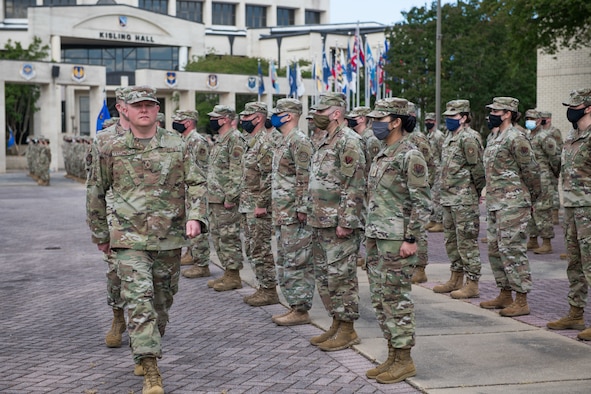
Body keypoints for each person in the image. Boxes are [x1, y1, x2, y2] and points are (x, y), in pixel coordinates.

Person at [86, 85, 207, 394]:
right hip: (128, 239)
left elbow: (196, 183)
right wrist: (100, 233)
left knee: (161, 305)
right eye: (137, 105)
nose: (145, 110)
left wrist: (196, 217)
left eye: (150, 105)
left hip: (168, 238)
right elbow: (96, 192)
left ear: (157, 110)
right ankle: (150, 366)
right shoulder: (107, 145)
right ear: (124, 109)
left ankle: (148, 346)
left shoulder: (177, 144)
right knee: (139, 302)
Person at [364, 98, 431, 384]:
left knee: (396, 298)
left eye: (381, 119)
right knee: (380, 299)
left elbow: (423, 202)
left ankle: (404, 359)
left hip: (396, 240)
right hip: (377, 236)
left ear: (397, 121)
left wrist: (411, 238)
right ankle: (392, 354)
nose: (375, 123)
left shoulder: (410, 154)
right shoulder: (383, 152)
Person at [307, 93, 366, 351]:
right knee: (325, 277)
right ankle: (336, 322)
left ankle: (348, 329)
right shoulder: (324, 139)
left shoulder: (349, 141)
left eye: (322, 110)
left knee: (341, 277)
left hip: (337, 223)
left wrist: (347, 221)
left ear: (336, 113)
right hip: (320, 220)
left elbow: (354, 185)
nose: (317, 115)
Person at [479, 97, 541, 317]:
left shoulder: (516, 137)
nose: (491, 114)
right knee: (496, 249)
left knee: (513, 250)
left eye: (495, 111)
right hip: (496, 203)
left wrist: (531, 198)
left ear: (507, 113)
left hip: (514, 203)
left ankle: (521, 299)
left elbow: (532, 170)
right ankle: (504, 293)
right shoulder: (494, 136)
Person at [547, 88, 591, 339]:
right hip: (572, 209)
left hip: (589, 210)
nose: (570, 110)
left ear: (588, 107)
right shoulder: (572, 136)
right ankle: (575, 313)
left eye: (575, 106)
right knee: (575, 263)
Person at [270, 98, 315, 326]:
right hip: (282, 212)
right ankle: (293, 305)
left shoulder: (299, 141)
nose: (274, 117)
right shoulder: (283, 140)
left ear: (288, 116)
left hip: (294, 214)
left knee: (298, 262)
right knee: (286, 261)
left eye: (277, 113)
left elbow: (305, 176)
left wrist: (302, 208)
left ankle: (301, 308)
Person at [434, 100, 485, 298]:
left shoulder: (469, 138)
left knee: (467, 242)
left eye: (453, 117)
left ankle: (472, 282)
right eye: (447, 116)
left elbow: (477, 169)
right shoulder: (449, 137)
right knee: (451, 241)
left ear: (464, 117)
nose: (449, 120)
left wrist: (478, 191)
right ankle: (456, 278)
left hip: (464, 198)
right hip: (448, 198)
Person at [238, 102, 281, 306]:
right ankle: (263, 286)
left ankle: (269, 289)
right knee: (251, 247)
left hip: (258, 205)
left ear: (258, 118)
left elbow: (269, 176)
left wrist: (262, 203)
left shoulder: (265, 143)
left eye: (247, 117)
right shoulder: (252, 141)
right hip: (248, 203)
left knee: (260, 248)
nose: (243, 120)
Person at [205, 105, 247, 291]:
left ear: (225, 119)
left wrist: (231, 196)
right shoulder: (222, 139)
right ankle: (227, 273)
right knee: (218, 236)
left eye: (216, 117)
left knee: (229, 237)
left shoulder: (235, 139)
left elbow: (237, 171)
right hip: (215, 198)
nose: (213, 120)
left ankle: (234, 275)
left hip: (226, 200)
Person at [168, 109, 212, 279]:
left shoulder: (197, 141)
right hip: (185, 190)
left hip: (196, 191)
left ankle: (201, 264)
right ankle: (192, 254)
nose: (175, 123)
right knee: (189, 226)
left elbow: (199, 170)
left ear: (187, 122)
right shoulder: (184, 139)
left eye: (178, 120)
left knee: (197, 227)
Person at [407, 102, 436, 284]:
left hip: (417, 190)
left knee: (419, 231)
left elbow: (430, 164)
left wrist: (426, 186)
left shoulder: (418, 138)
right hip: (403, 193)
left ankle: (420, 268)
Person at [524, 109, 561, 254]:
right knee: (530, 211)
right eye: (528, 118)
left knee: (543, 211)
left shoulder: (545, 137)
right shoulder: (526, 136)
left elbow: (555, 158)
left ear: (540, 121)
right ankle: (532, 240)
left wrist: (553, 175)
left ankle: (547, 242)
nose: (530, 121)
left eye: (533, 119)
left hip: (543, 178)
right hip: (530, 180)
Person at [539, 110, 564, 225]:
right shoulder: (539, 131)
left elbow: (559, 148)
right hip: (541, 167)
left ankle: (554, 214)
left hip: (552, 164)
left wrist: (556, 166)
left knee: (553, 191)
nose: (543, 119)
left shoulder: (554, 131)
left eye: (544, 118)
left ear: (549, 119)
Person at [424, 112, 445, 233]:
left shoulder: (438, 136)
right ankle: (432, 219)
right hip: (431, 171)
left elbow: (443, 153)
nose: (428, 123)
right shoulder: (429, 135)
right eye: (426, 121)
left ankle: (440, 222)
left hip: (438, 171)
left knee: (437, 197)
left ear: (435, 122)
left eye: (430, 121)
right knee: (432, 197)